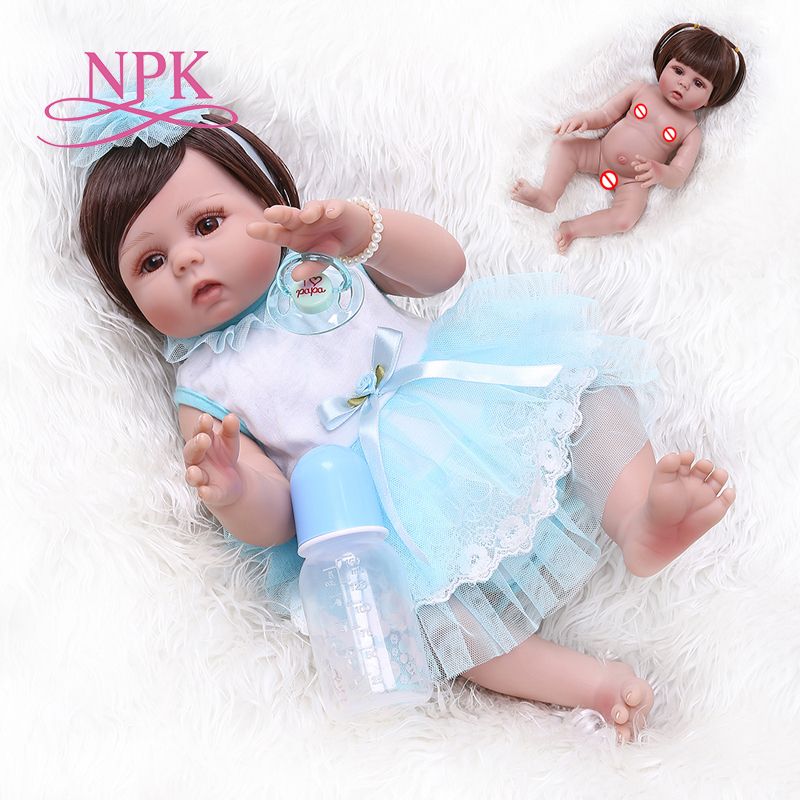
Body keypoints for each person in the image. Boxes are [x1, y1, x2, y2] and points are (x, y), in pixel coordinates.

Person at [76, 87, 734, 742]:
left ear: (266, 199)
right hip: (379, 512)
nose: (186, 259)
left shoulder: (320, 255)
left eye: (207, 224)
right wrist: (233, 488)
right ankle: (588, 684)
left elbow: (443, 270)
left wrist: (363, 233)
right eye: (150, 262)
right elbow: (276, 520)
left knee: (585, 390)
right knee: (425, 622)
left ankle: (638, 517)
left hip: (465, 402)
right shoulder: (203, 384)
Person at [511, 23, 746, 253]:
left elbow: (678, 176)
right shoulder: (642, 90)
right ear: (665, 63)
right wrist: (586, 121)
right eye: (678, 70)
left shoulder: (691, 131)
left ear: (710, 99)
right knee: (564, 146)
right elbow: (606, 114)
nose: (683, 83)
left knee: (625, 219)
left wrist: (660, 172)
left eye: (698, 83)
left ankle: (573, 228)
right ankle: (547, 196)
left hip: (633, 180)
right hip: (599, 152)